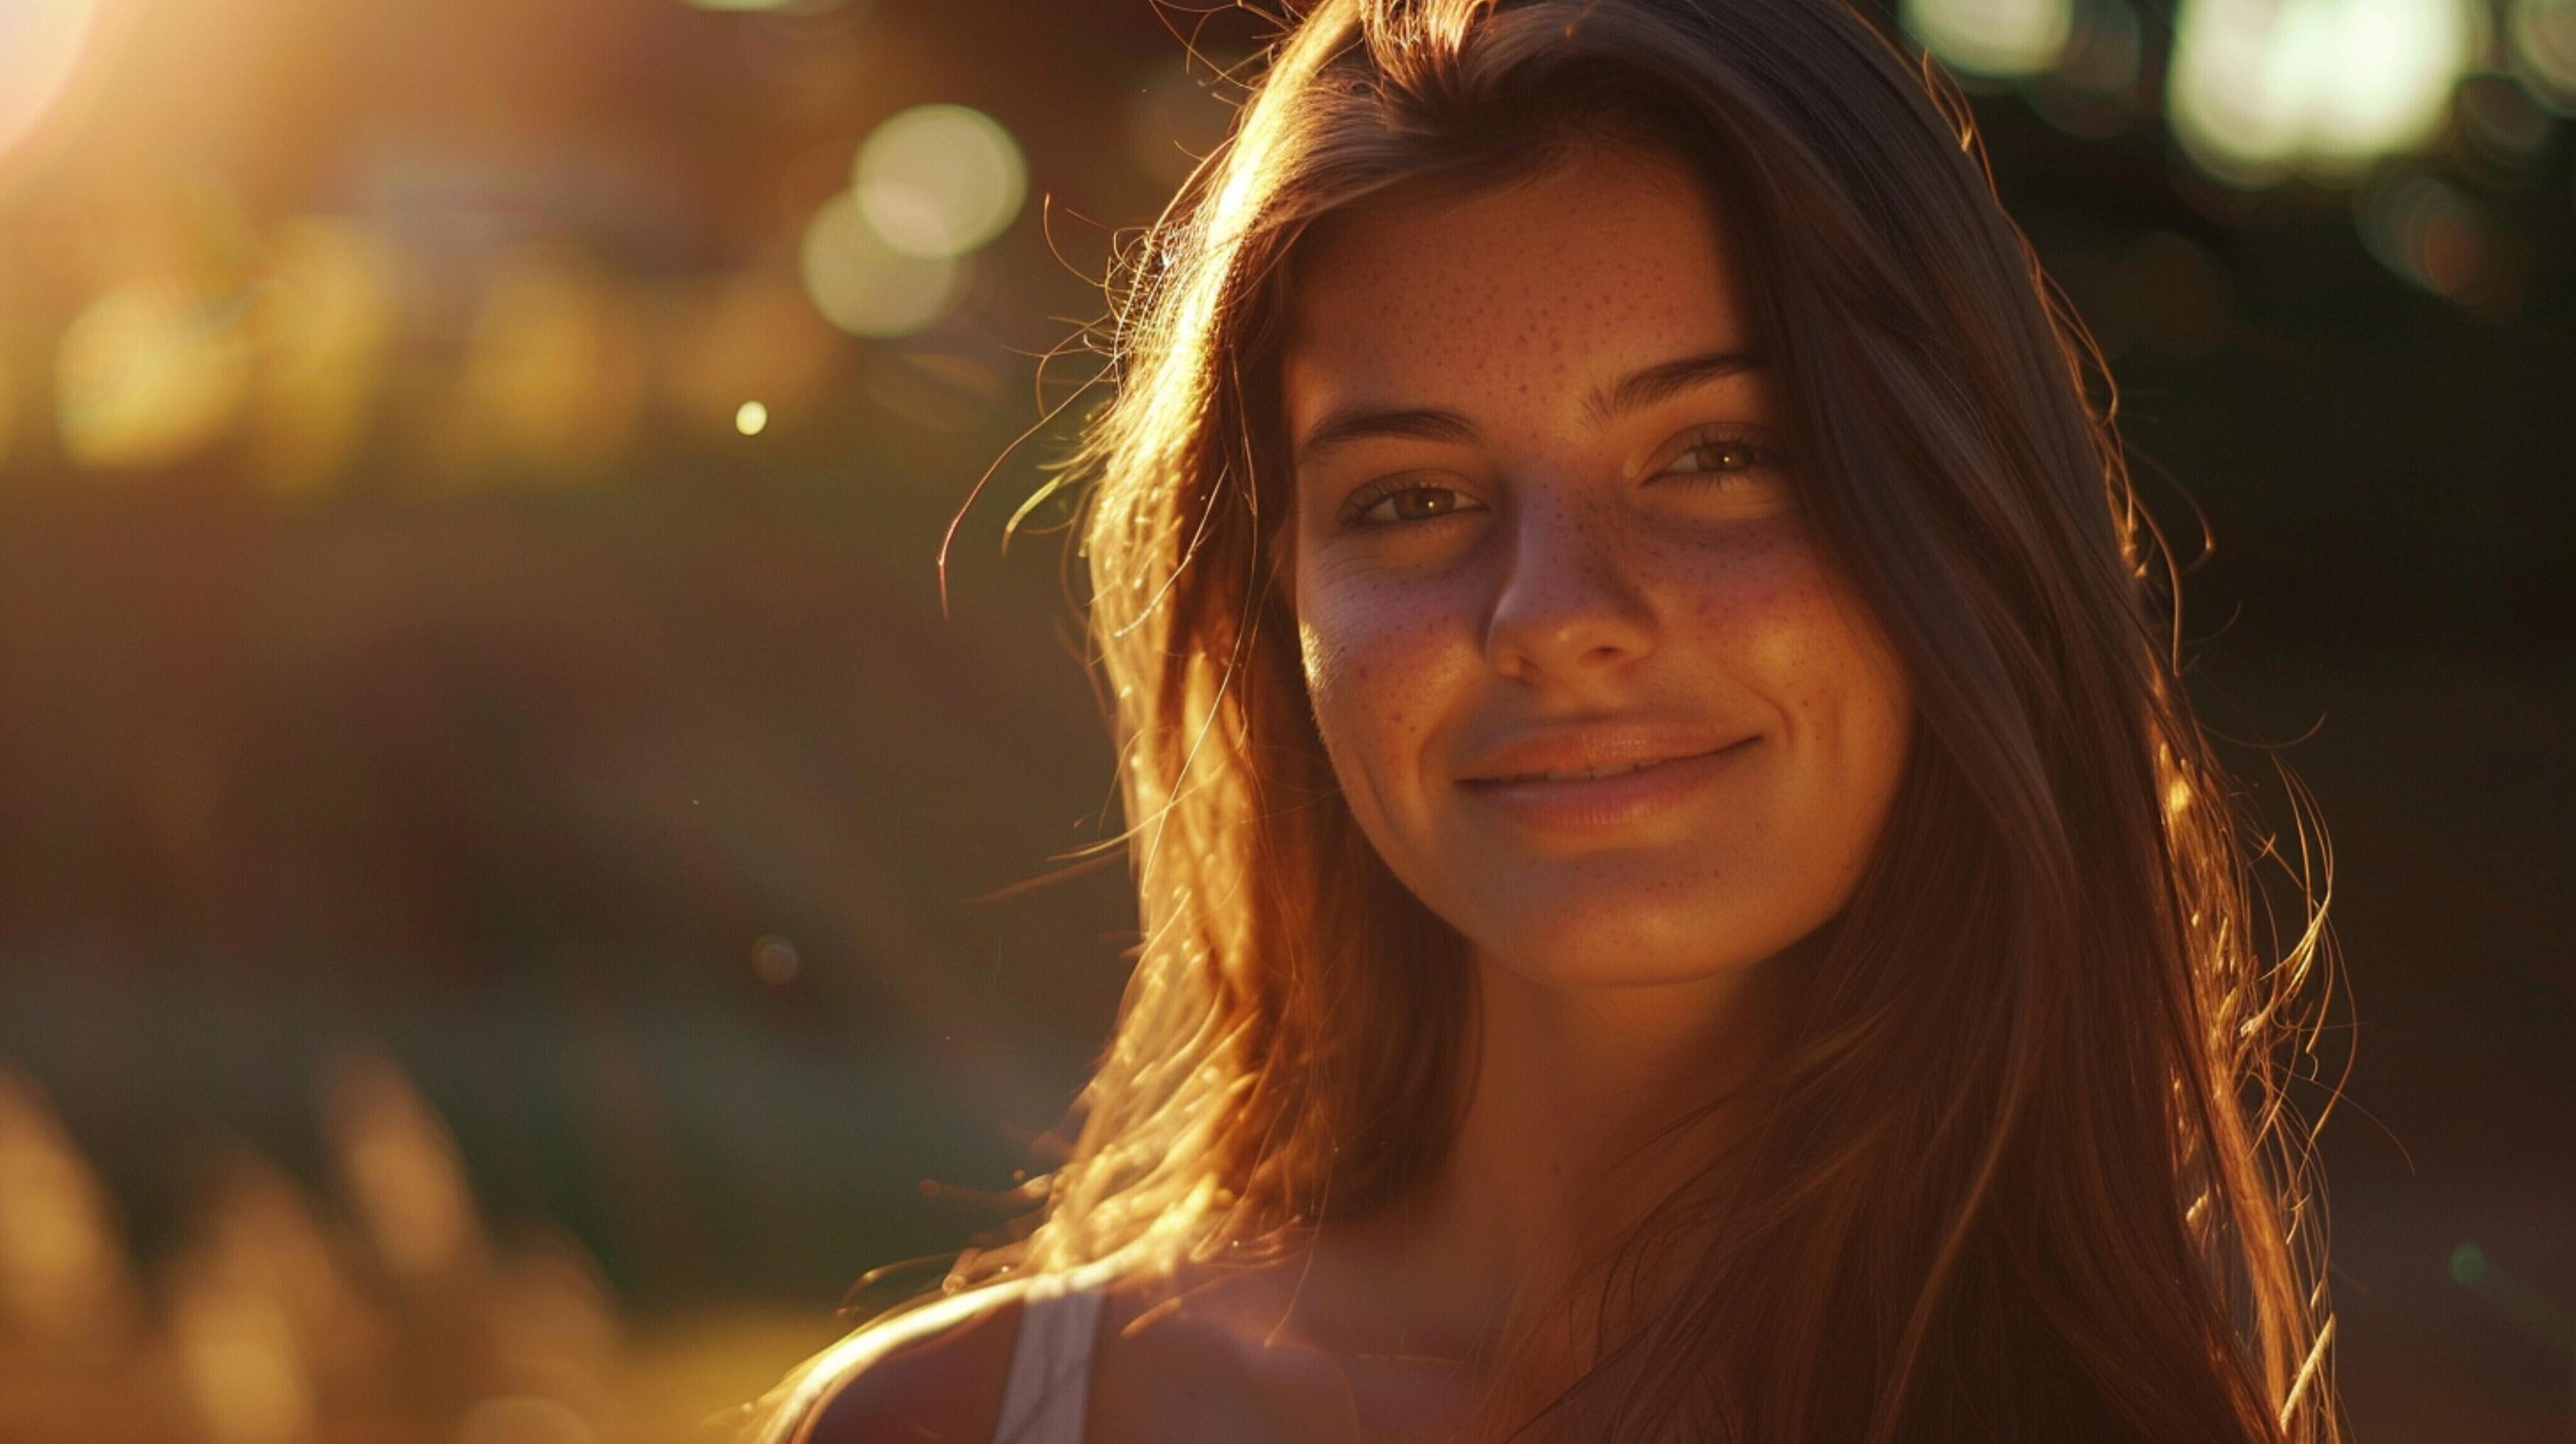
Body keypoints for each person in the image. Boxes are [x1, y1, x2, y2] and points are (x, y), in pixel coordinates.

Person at [748, 0, 2344, 1438]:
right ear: (1276, 610)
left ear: (1970, 521)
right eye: (1414, 496)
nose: (1552, 611)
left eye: (1720, 454)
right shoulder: (951, 1422)